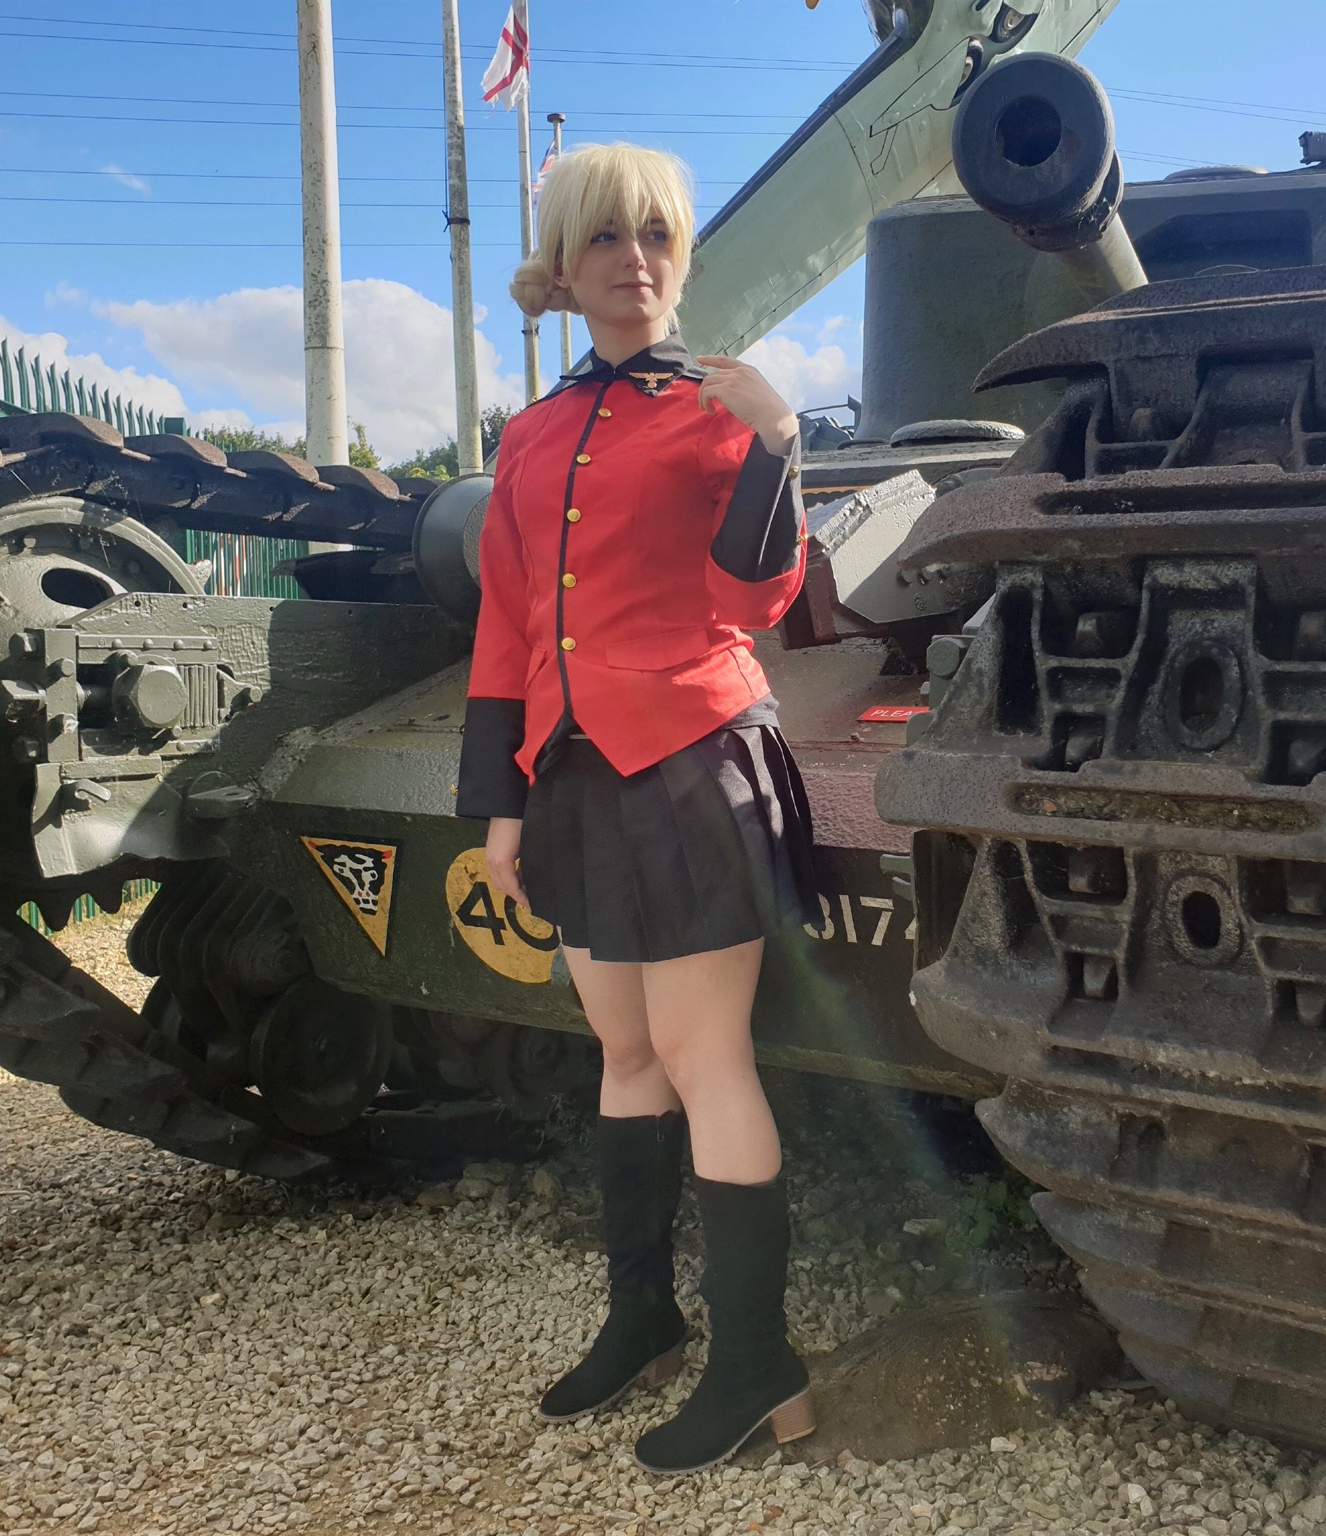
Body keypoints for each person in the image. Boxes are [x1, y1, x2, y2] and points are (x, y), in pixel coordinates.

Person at [453, 141, 818, 1475]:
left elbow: (754, 604)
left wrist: (780, 445)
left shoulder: (722, 408)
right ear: (565, 261)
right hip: (570, 775)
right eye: (607, 237)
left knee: (704, 1054)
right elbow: (507, 624)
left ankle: (758, 1365)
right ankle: (643, 1319)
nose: (637, 260)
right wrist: (497, 805)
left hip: (694, 759)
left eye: (658, 234)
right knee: (623, 1053)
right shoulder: (532, 433)